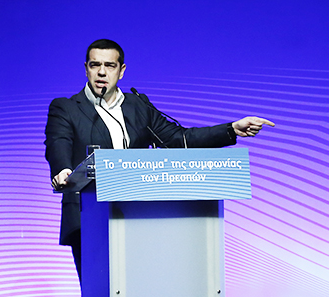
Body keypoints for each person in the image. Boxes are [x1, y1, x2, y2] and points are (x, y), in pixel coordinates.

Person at [44, 39, 274, 277]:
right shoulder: (66, 108)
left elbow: (179, 139)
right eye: (95, 65)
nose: (102, 72)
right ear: (86, 69)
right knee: (100, 293)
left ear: (121, 71)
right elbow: (57, 143)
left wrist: (231, 129)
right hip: (89, 218)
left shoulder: (139, 106)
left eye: (110, 65)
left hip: (139, 215)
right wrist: (63, 170)